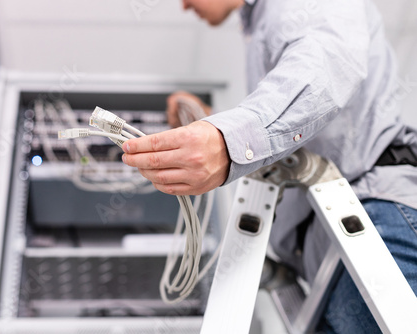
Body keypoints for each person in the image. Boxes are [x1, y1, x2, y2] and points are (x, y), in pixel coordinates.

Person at [121, 0, 417, 332]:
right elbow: (298, 123)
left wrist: (227, 141)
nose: (185, 5)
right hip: (332, 254)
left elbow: (326, 61)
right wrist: (211, 123)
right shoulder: (263, 23)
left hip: (374, 224)